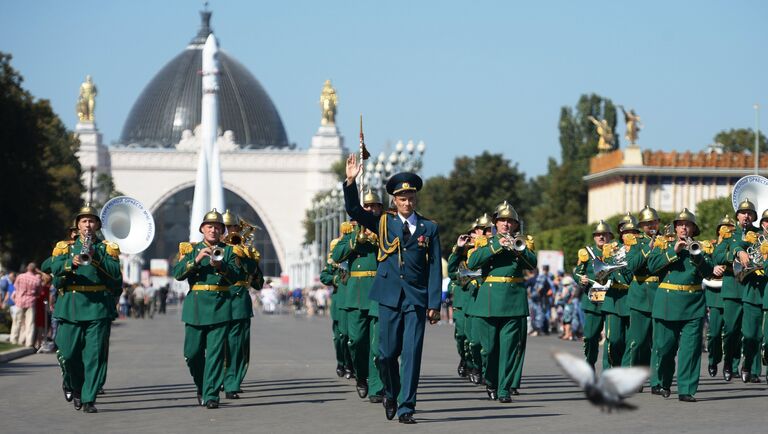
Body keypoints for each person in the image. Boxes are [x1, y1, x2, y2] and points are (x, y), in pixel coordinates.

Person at [343, 154, 442, 424]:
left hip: (415, 298)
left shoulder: (429, 228)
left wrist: (435, 303)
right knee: (385, 354)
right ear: (394, 201)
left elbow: (434, 267)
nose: (407, 202)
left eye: (411, 198)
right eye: (402, 199)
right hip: (387, 297)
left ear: (415, 199)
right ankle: (390, 391)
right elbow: (354, 210)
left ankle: (407, 406)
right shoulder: (384, 223)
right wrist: (351, 181)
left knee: (411, 353)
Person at [49, 203, 123, 413]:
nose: (88, 225)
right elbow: (53, 272)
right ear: (78, 225)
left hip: (97, 306)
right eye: (84, 221)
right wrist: (69, 264)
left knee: (94, 355)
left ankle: (89, 398)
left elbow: (116, 277)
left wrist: (96, 257)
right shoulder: (66, 248)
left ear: (97, 225)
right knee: (68, 353)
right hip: (71, 306)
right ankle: (74, 386)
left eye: (92, 221)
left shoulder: (105, 248)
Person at [467, 200, 537, 403]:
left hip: (513, 300)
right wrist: (497, 245)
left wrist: (519, 250)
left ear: (515, 225)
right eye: (502, 221)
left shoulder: (522, 242)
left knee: (509, 348)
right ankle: (491, 381)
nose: (506, 225)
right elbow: (472, 262)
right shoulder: (485, 243)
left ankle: (504, 389)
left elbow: (532, 264)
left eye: (510, 221)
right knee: (488, 349)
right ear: (495, 224)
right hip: (490, 300)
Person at [173, 209, 238, 409]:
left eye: (218, 227)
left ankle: (211, 395)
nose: (213, 230)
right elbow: (177, 274)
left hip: (220, 306)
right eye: (210, 226)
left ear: (222, 231)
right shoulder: (191, 250)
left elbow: (236, 277)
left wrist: (221, 267)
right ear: (202, 229)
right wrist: (197, 259)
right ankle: (202, 385)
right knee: (192, 354)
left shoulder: (228, 251)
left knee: (215, 354)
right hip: (196, 307)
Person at [647, 208, 714, 402]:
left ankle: (686, 389)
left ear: (693, 228)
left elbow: (709, 271)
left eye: (688, 224)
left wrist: (697, 256)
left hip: (693, 304)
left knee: (691, 349)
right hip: (667, 302)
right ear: (675, 228)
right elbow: (652, 266)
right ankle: (663, 381)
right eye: (680, 224)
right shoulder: (663, 244)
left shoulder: (700, 247)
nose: (684, 227)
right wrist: (672, 251)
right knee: (665, 348)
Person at [331, 189, 385, 402]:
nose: (371, 209)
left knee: (377, 343)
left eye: (375, 206)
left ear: (380, 209)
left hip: (378, 292)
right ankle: (361, 376)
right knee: (356, 341)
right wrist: (355, 240)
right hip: (355, 295)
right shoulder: (350, 231)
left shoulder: (385, 229)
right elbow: (336, 255)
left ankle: (376, 386)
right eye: (367, 206)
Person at [221, 209, 262, 400]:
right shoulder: (215, 247)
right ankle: (218, 378)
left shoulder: (246, 251)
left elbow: (258, 282)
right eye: (226, 227)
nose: (230, 231)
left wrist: (248, 258)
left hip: (239, 301)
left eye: (232, 227)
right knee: (218, 345)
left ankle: (232, 383)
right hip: (217, 300)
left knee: (238, 345)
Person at [706, 215, 735, 378]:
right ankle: (713, 359)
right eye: (723, 228)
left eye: (729, 228)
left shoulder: (736, 245)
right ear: (718, 231)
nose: (726, 231)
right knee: (714, 333)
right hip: (715, 293)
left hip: (732, 289)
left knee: (732, 332)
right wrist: (713, 267)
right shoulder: (710, 246)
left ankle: (730, 363)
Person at [10, 263, 41, 347]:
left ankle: (13, 339)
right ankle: (29, 342)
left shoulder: (20, 276)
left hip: (19, 301)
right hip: (31, 302)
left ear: (27, 268)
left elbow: (16, 287)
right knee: (30, 323)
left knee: (17, 322)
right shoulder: (36, 280)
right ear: (35, 270)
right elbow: (38, 293)